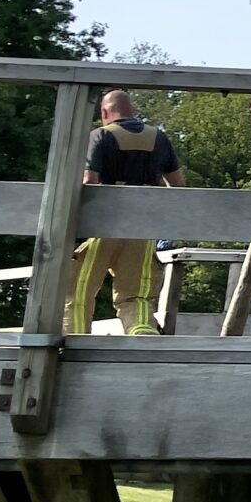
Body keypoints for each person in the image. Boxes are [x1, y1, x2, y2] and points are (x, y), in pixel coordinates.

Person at [64, 89, 183, 336]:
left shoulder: (100, 136)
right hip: (141, 227)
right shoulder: (159, 138)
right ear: (132, 111)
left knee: (78, 291)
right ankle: (142, 338)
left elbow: (89, 181)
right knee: (135, 295)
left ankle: (74, 343)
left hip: (102, 226)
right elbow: (178, 187)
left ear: (105, 112)